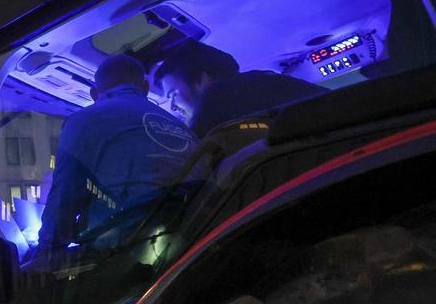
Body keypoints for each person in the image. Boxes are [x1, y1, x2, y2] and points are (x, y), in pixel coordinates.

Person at [37, 53, 198, 251]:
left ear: (94, 93)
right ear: (145, 88)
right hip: (193, 237)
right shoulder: (180, 125)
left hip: (128, 248)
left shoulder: (83, 121)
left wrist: (44, 253)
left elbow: (64, 198)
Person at [154, 39, 326, 138]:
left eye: (173, 95)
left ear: (203, 79)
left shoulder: (217, 104)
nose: (173, 107)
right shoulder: (271, 82)